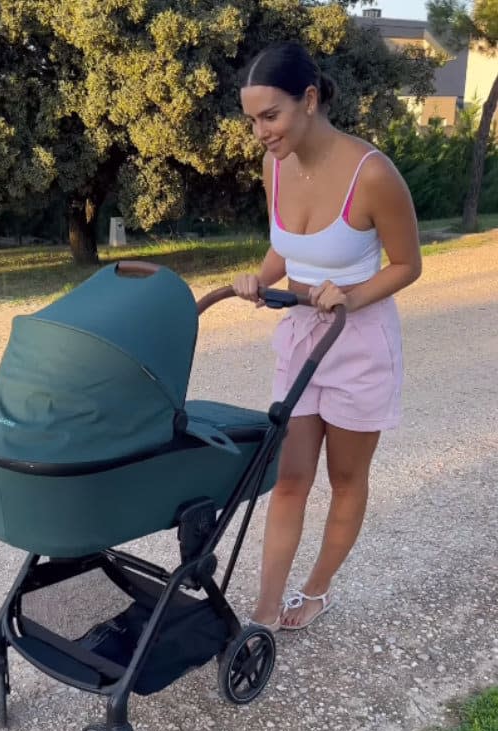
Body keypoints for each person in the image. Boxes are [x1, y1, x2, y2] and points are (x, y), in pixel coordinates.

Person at [232, 41, 421, 631]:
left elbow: (407, 264)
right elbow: (285, 249)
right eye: (253, 120)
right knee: (289, 478)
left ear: (308, 100)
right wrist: (259, 278)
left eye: (271, 116)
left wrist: (352, 294)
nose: (261, 132)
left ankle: (316, 589)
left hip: (357, 345)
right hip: (300, 341)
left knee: (345, 479)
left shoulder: (373, 175)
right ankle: (266, 606)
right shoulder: (275, 166)